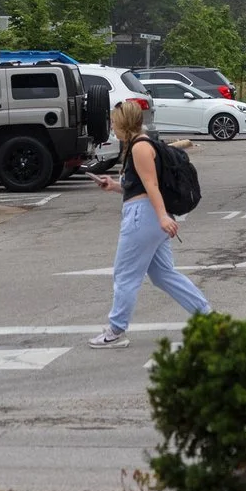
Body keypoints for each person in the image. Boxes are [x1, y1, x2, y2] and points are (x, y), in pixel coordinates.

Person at [87, 99, 210, 348]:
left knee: (125, 275)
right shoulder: (143, 144)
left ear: (124, 123)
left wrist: (163, 216)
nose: (112, 127)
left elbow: (152, 185)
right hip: (150, 216)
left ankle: (115, 330)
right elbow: (141, 186)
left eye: (114, 122)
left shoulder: (140, 147)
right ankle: (207, 315)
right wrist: (114, 186)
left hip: (143, 217)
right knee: (162, 274)